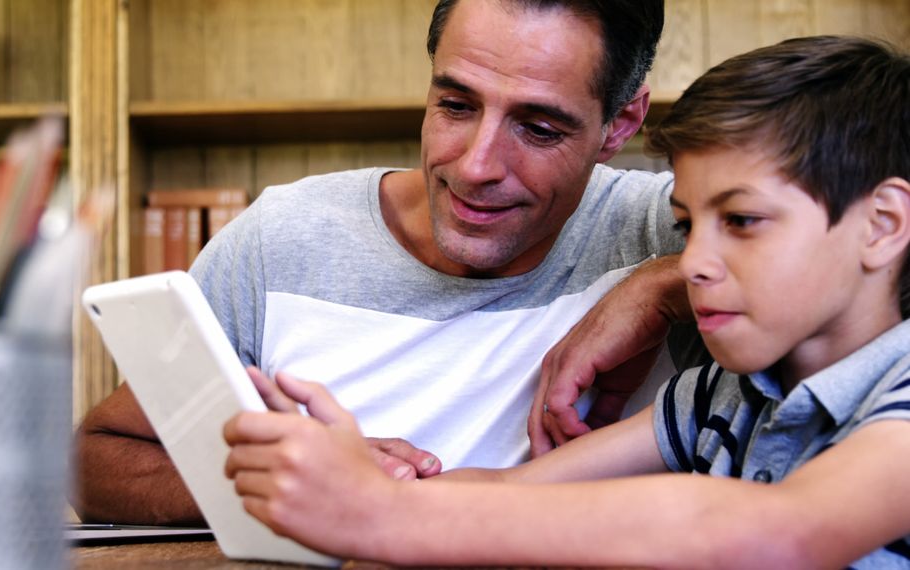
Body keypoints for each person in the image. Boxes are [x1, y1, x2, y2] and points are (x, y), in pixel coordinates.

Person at [223, 35, 910, 567]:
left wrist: (382, 514)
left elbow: (780, 536)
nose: (692, 263)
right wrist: (355, 478)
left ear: (882, 226)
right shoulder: (715, 399)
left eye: (740, 222)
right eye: (685, 225)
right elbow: (511, 492)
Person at [74, 0, 696, 525]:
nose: (477, 168)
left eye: (537, 128)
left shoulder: (681, 227)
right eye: (456, 105)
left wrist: (663, 283)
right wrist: (285, 483)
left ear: (621, 123)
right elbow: (94, 460)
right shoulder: (282, 239)